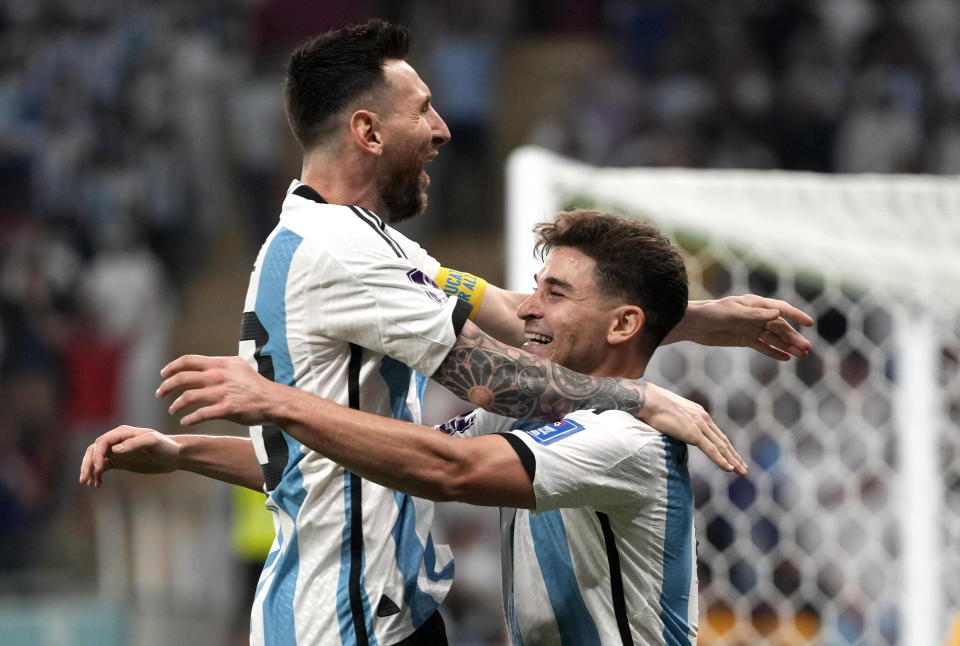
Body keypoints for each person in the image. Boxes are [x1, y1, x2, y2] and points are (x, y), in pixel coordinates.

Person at [82, 19, 812, 646]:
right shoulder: (342, 250)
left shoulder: (374, 246)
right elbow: (493, 392)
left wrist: (690, 321)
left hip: (389, 609)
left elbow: (519, 316)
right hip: (346, 619)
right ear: (367, 130)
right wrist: (638, 398)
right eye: (423, 110)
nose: (443, 128)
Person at [86, 209, 725, 643]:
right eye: (536, 287)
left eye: (555, 293)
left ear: (622, 325)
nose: (527, 307)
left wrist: (280, 401)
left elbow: (451, 470)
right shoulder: (532, 411)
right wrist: (180, 452)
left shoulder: (628, 438)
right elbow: (360, 467)